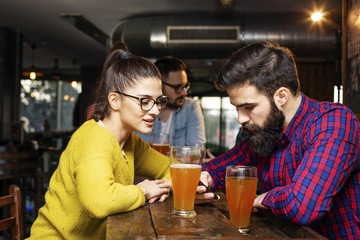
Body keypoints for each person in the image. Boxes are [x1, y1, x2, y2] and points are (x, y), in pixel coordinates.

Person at [198, 41, 360, 239]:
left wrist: (263, 199)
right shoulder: (267, 131)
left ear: (281, 96)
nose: (240, 119)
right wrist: (204, 180)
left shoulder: (333, 122)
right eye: (237, 108)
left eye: (248, 107)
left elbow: (303, 206)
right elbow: (217, 167)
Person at [27, 41, 172, 240]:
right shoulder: (93, 139)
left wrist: (171, 185)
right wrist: (143, 191)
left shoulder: (131, 142)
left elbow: (171, 167)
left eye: (158, 101)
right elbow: (100, 201)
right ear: (115, 100)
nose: (155, 110)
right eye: (144, 101)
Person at [135, 56, 206, 146]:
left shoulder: (191, 107)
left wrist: (171, 155)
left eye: (185, 86)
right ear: (159, 85)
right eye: (177, 87)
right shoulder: (141, 108)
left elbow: (197, 152)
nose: (184, 93)